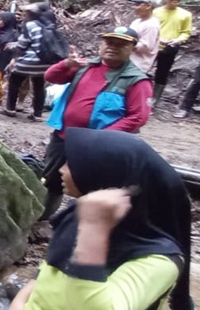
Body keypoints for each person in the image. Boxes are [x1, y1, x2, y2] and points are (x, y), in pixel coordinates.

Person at [10, 128, 193, 310]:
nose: (61, 169)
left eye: (71, 164)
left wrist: (94, 231)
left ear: (107, 176)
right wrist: (20, 301)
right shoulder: (82, 214)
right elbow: (48, 271)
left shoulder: (160, 261)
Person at [40, 26, 152, 220]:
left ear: (132, 48)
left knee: (91, 187)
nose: (113, 47)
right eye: (109, 42)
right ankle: (42, 218)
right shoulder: (85, 66)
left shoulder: (136, 80)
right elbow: (51, 77)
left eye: (121, 44)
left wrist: (99, 138)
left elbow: (138, 117)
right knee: (51, 181)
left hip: (99, 147)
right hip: (64, 138)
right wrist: (66, 63)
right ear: (100, 44)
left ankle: (82, 226)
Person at [4, 3, 54, 121]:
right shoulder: (50, 24)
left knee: (14, 82)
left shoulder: (30, 25)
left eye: (26, 13)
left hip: (28, 62)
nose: (23, 15)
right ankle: (37, 114)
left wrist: (13, 59)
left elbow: (22, 45)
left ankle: (10, 108)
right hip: (44, 63)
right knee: (39, 87)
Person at [153, 0, 192, 105]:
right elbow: (150, 28)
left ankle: (154, 100)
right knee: (143, 69)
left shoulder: (186, 14)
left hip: (170, 47)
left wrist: (178, 40)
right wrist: (158, 38)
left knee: (162, 73)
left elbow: (186, 32)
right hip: (153, 45)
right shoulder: (156, 12)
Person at [127, 0, 161, 74]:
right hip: (129, 61)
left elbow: (145, 46)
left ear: (148, 6)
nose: (134, 7)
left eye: (138, 4)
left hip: (138, 64)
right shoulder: (136, 21)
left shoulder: (151, 25)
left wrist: (125, 44)